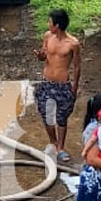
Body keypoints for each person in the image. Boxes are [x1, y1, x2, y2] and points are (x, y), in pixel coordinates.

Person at [33, 9, 80, 162]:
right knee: (46, 115)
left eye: (50, 22)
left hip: (62, 84)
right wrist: (40, 56)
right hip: (47, 82)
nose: (48, 24)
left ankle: (61, 147)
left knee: (61, 117)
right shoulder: (48, 36)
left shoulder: (73, 43)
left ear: (57, 25)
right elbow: (45, 56)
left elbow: (77, 66)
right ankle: (53, 142)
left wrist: (74, 87)